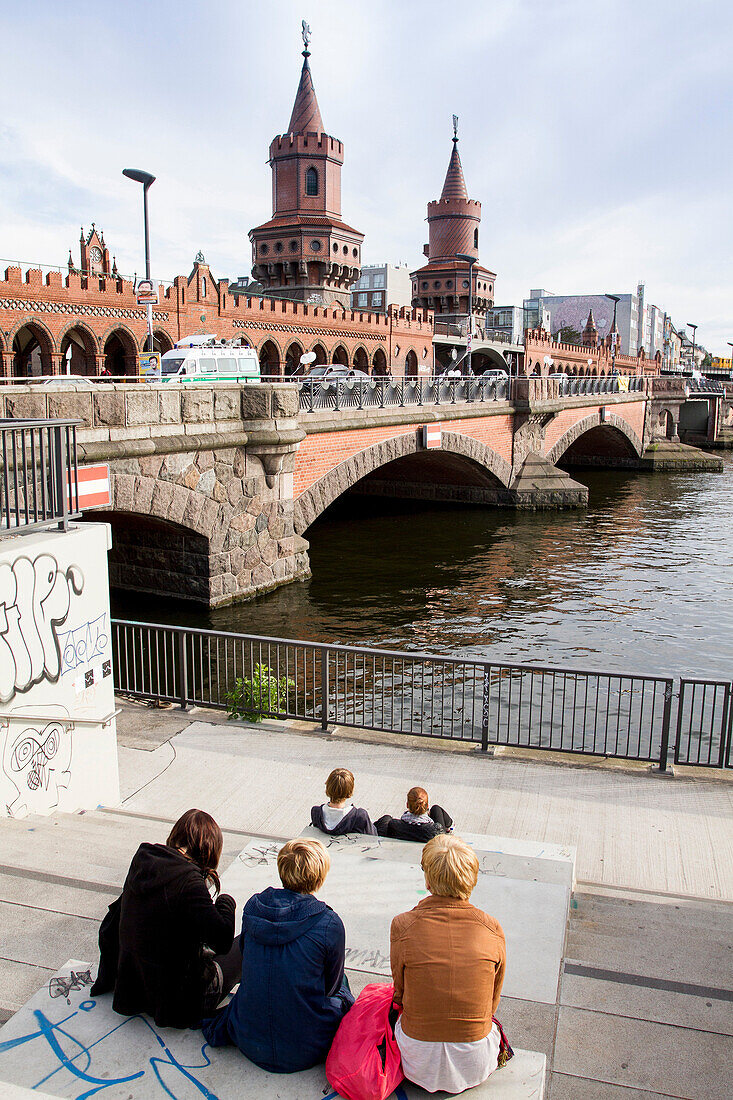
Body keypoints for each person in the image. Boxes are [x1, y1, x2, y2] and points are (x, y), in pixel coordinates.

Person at [202, 837, 354, 1073]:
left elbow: (246, 959)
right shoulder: (329, 923)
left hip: (249, 1038)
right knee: (343, 983)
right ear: (320, 877)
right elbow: (331, 987)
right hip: (305, 1048)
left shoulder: (253, 908)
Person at [91, 808, 238, 1029]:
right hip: (176, 1002)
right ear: (209, 849)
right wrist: (226, 903)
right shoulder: (189, 881)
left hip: (134, 989)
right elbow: (222, 941)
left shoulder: (143, 860)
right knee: (246, 944)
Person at [390, 834, 509, 1094]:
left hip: (416, 1059)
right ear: (472, 879)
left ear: (429, 880)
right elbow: (492, 1000)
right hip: (475, 1060)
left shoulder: (403, 924)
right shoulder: (491, 928)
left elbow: (399, 994)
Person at [310, 767, 376, 836]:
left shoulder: (316, 812)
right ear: (350, 790)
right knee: (386, 821)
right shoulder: (359, 816)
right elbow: (372, 837)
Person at [375, 786, 453, 842]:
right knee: (436, 809)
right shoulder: (435, 829)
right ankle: (450, 825)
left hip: (405, 830)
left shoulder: (394, 825)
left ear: (407, 805)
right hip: (427, 833)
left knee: (386, 818)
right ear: (427, 806)